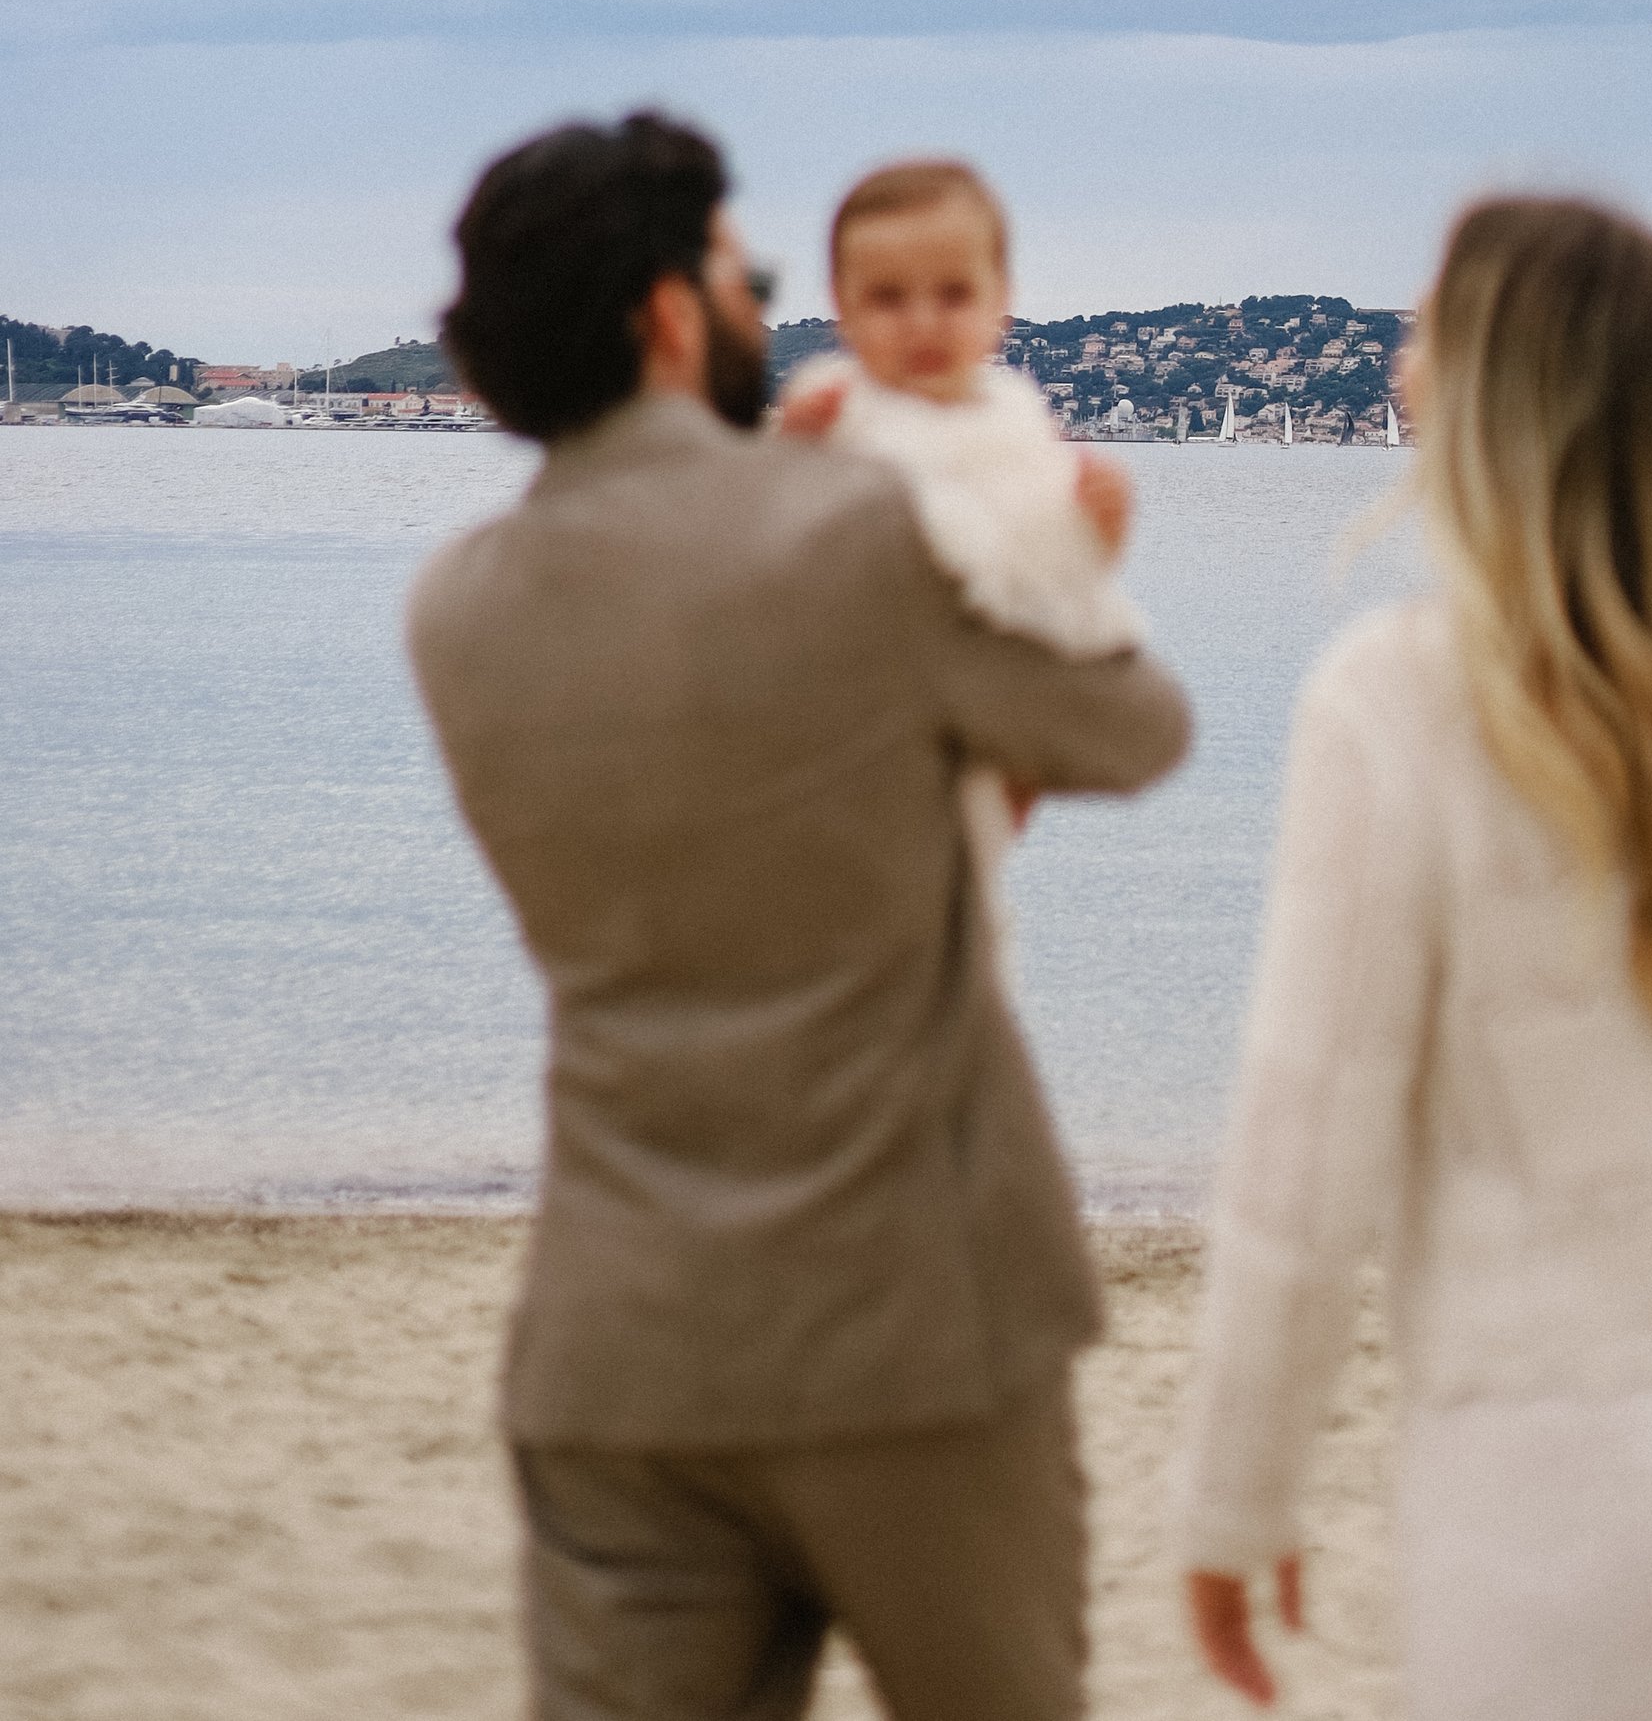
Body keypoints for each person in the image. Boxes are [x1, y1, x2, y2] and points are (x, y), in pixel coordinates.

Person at [407, 110, 1191, 1721]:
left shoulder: (458, 606)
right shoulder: (859, 534)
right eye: (745, 273)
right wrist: (1081, 566)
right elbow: (1136, 730)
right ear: (671, 317)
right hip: (914, 1328)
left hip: (617, 1345)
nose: (766, 303)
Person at [1176, 195, 1652, 1721]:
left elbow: (1302, 1163)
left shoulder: (1396, 700)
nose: (1394, 365)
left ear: (1480, 395)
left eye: (1418, 333)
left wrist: (1232, 1499)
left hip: (1579, 1447)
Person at [779, 157, 1144, 954]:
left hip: (983, 714)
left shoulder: (1015, 422)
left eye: (952, 294)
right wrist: (784, 464)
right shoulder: (834, 409)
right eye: (887, 298)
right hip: (848, 721)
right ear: (840, 308)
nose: (922, 323)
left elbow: (1053, 579)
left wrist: (1096, 540)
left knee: (963, 915)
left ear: (1000, 304)